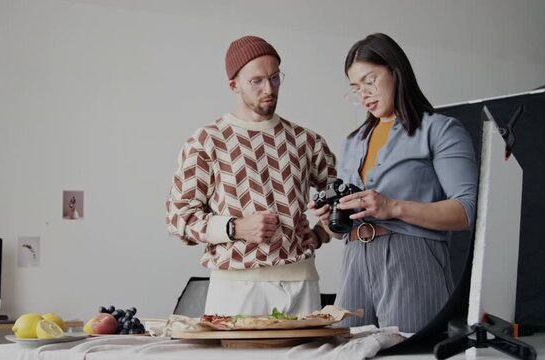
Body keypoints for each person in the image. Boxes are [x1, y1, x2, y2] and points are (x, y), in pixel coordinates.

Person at [309, 33, 478, 333]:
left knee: (409, 350)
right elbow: (341, 228)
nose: (364, 94)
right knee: (348, 348)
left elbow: (466, 211)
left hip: (411, 259)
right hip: (354, 261)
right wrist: (332, 219)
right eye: (355, 88)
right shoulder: (353, 142)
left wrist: (393, 207)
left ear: (396, 71)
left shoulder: (439, 130)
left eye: (370, 81)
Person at [166, 35, 336, 316]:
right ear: (234, 85)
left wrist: (320, 233)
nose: (268, 89)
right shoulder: (208, 140)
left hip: (302, 286)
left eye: (274, 78)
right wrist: (235, 228)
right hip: (235, 290)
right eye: (256, 81)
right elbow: (179, 217)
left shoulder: (306, 140)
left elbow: (342, 198)